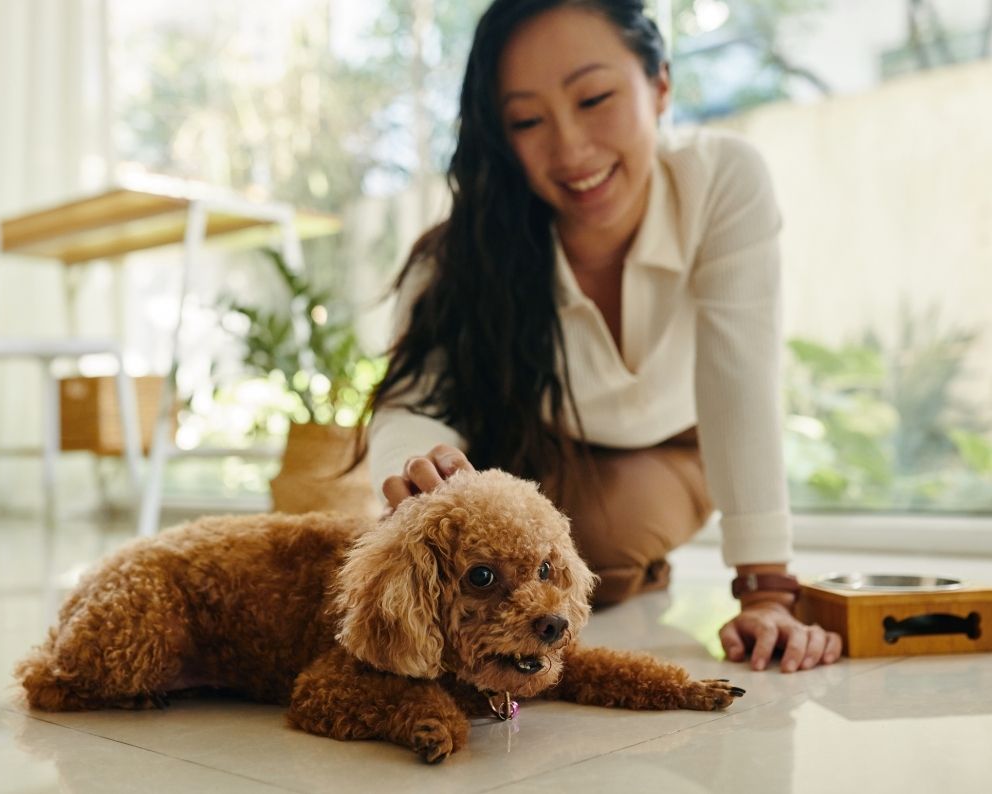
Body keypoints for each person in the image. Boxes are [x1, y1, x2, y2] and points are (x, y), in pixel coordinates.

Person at [361, 0, 842, 673]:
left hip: (676, 446)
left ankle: (628, 561)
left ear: (661, 85)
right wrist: (418, 476)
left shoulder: (724, 179)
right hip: (530, 447)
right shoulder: (463, 253)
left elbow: (740, 379)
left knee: (606, 530)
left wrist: (766, 590)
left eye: (595, 98)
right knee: (381, 549)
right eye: (527, 120)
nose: (570, 148)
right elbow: (412, 403)